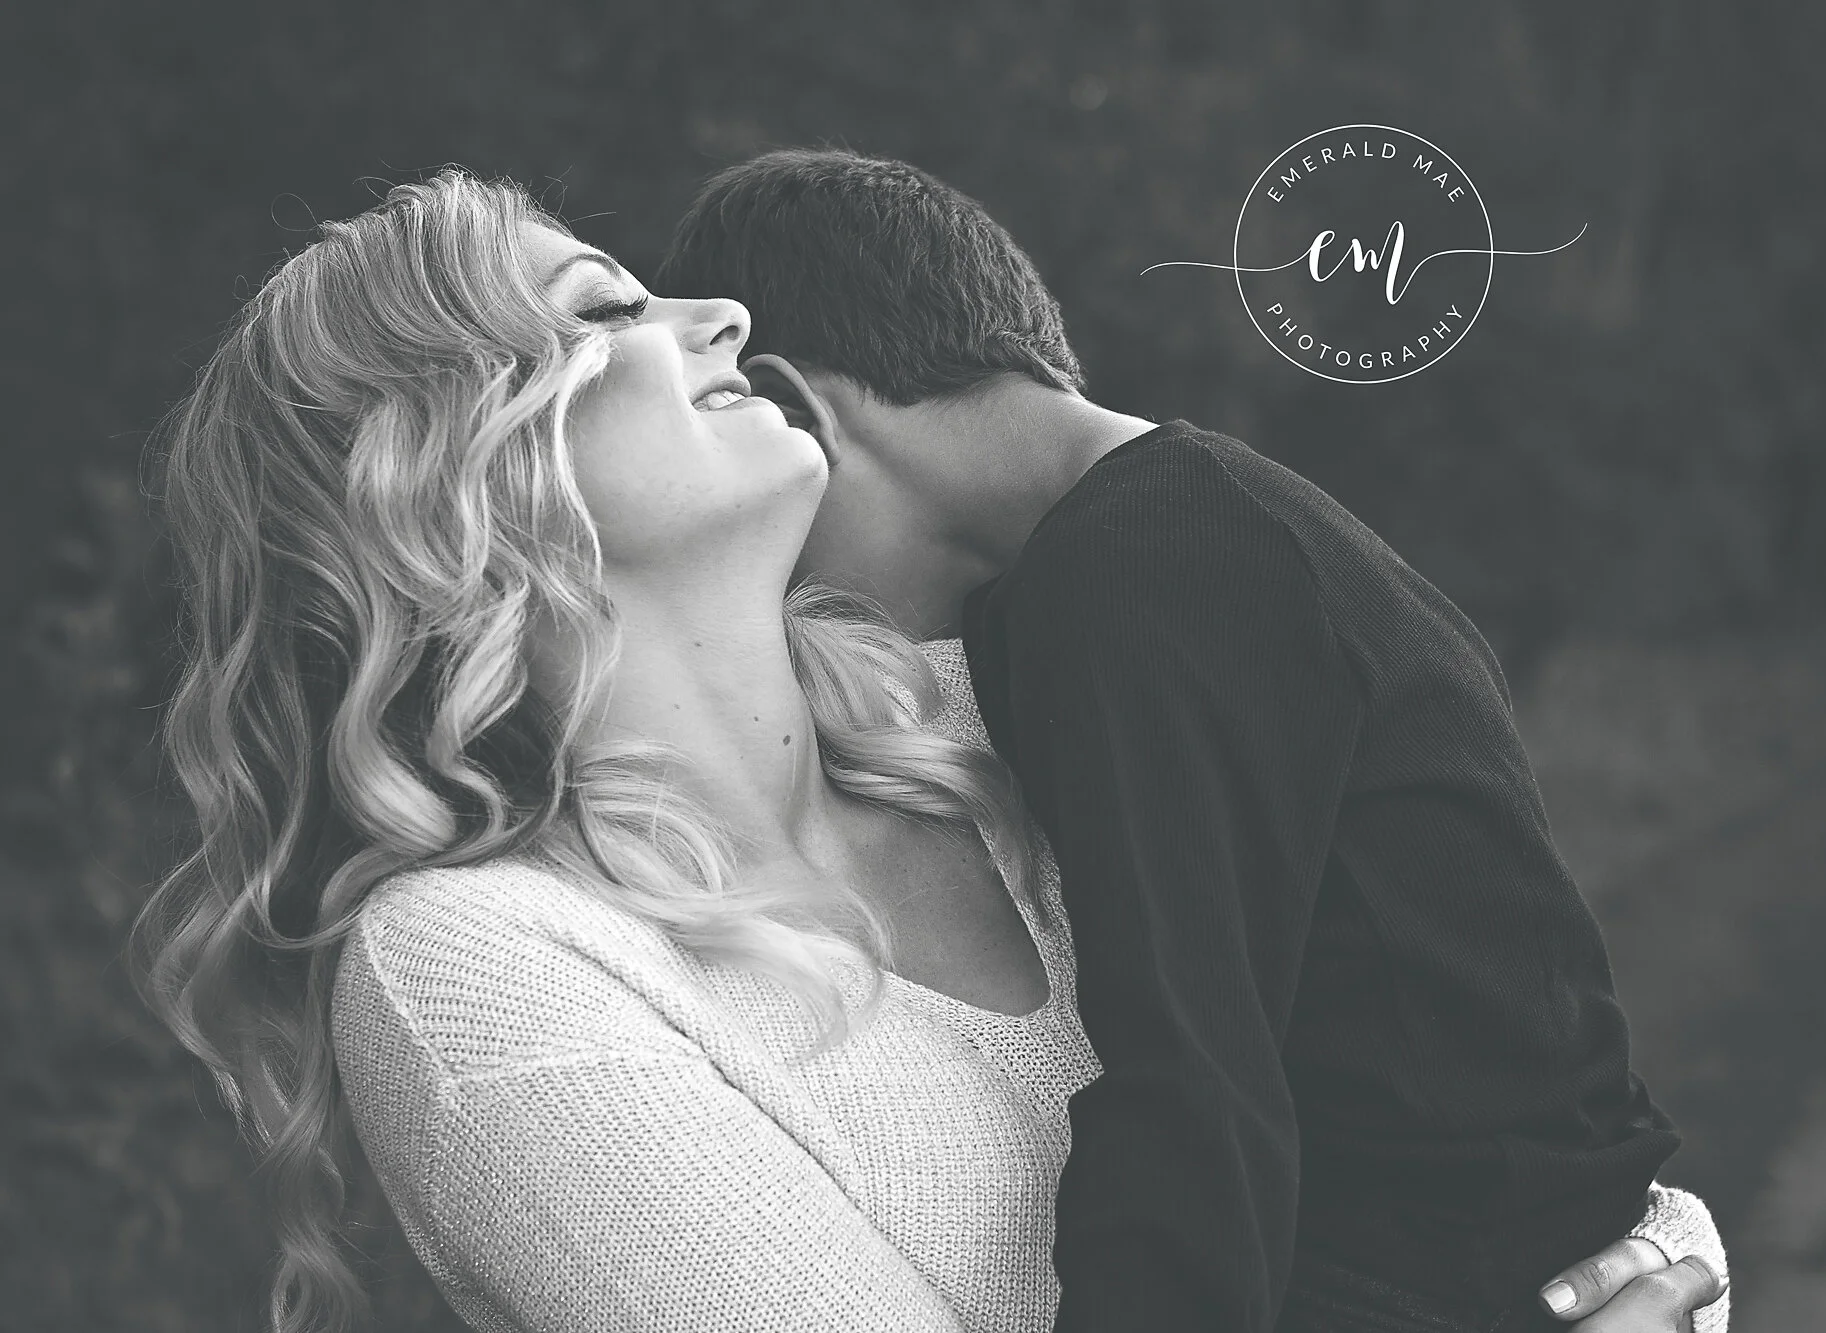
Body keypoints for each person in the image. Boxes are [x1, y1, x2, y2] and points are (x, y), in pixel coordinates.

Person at [133, 169, 1720, 1333]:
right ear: (451, 481)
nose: (726, 318)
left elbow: (1455, 1042)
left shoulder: (1012, 716)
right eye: (609, 307)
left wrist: (1638, 1235)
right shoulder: (490, 971)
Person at [658, 149, 1732, 1333]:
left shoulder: (1134, 573)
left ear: (792, 407)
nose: (791, 602)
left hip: (1440, 1279)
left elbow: (1194, 1090)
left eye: (788, 563)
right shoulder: (1209, 519)